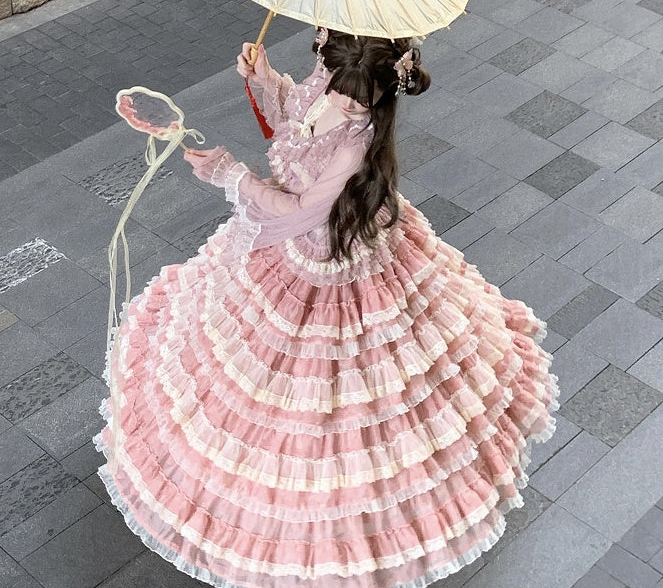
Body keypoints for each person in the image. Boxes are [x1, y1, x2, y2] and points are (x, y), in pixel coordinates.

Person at [96, 29, 558, 588]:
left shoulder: (355, 142)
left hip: (329, 256)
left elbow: (305, 210)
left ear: (367, 91)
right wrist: (264, 78)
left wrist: (230, 175)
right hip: (295, 252)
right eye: (328, 76)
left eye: (342, 87)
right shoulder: (339, 80)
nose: (330, 89)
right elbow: (297, 112)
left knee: (334, 394)